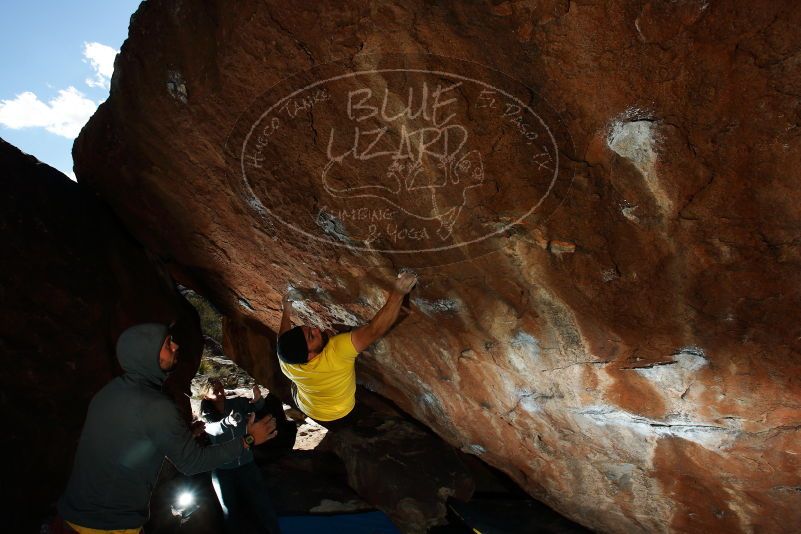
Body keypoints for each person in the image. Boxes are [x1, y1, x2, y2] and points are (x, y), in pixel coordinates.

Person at [57, 323, 278, 533]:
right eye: (167, 343)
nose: (176, 346)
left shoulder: (109, 393)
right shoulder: (156, 405)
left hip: (74, 515)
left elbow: (127, 443)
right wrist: (248, 440)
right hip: (108, 525)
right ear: (148, 353)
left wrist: (184, 435)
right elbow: (193, 462)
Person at [276, 272, 417, 427]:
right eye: (311, 336)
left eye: (309, 329)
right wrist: (399, 292)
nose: (316, 329)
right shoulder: (337, 351)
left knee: (297, 375)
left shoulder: (288, 362)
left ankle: (316, 354)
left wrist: (286, 310)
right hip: (343, 408)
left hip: (307, 405)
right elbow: (374, 330)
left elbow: (282, 339)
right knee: (334, 342)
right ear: (310, 356)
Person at [200, 379, 281, 534]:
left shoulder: (236, 403)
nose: (220, 393)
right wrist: (227, 422)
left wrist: (258, 399)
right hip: (222, 469)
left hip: (246, 463)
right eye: (215, 391)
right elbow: (212, 429)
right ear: (206, 397)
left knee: (263, 504)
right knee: (229, 510)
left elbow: (256, 407)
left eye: (221, 388)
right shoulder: (206, 413)